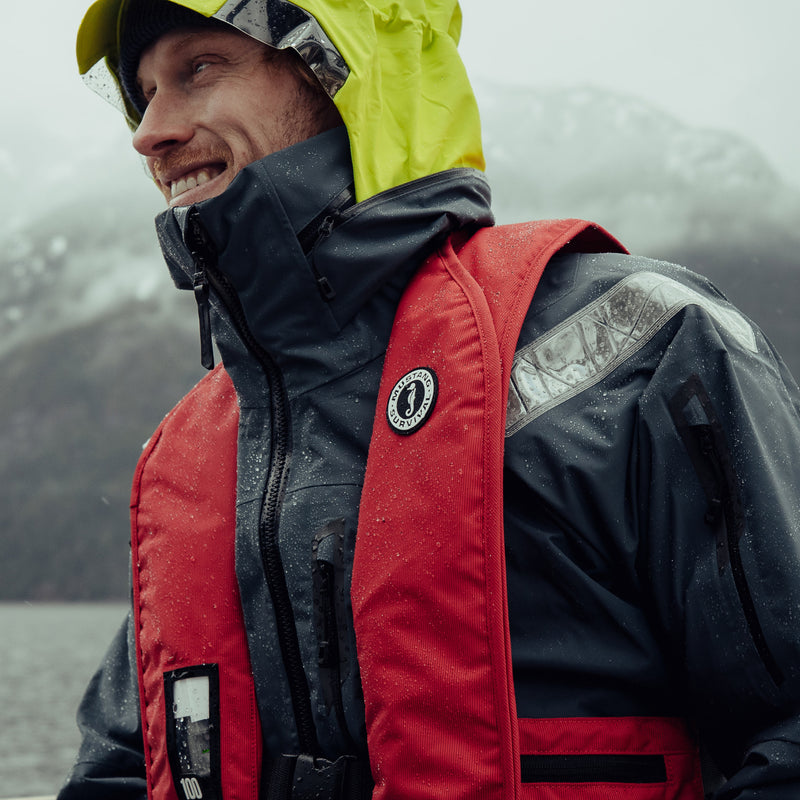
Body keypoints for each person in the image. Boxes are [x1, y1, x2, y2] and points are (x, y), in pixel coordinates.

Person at [59, 1, 800, 798]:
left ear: (342, 74)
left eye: (199, 69)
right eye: (143, 94)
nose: (150, 132)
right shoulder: (185, 457)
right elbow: (119, 774)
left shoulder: (642, 343)